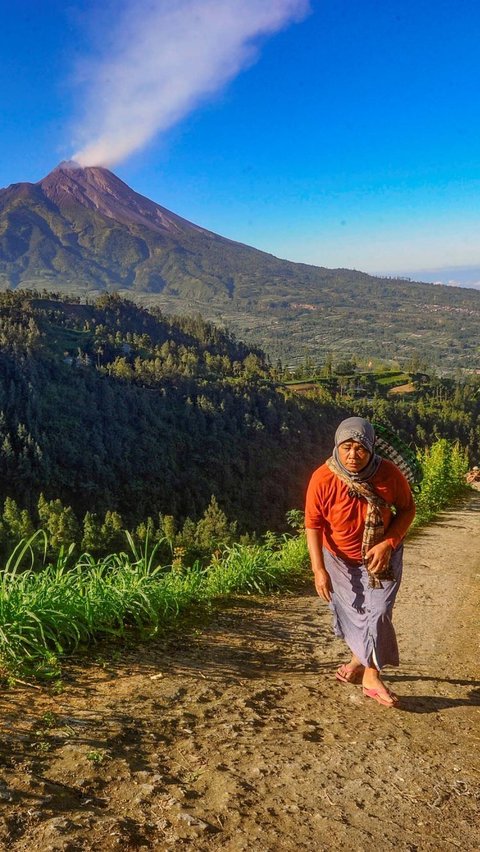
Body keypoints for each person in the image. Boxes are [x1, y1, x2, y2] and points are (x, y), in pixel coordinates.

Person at [305, 416, 416, 707]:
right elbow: (313, 525)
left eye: (360, 448)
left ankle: (371, 675)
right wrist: (319, 569)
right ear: (337, 447)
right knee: (353, 611)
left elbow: (407, 509)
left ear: (371, 448)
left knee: (377, 612)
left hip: (382, 555)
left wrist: (388, 544)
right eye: (346, 447)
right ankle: (359, 660)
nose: (353, 455)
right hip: (338, 560)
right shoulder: (323, 478)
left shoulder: (388, 474)